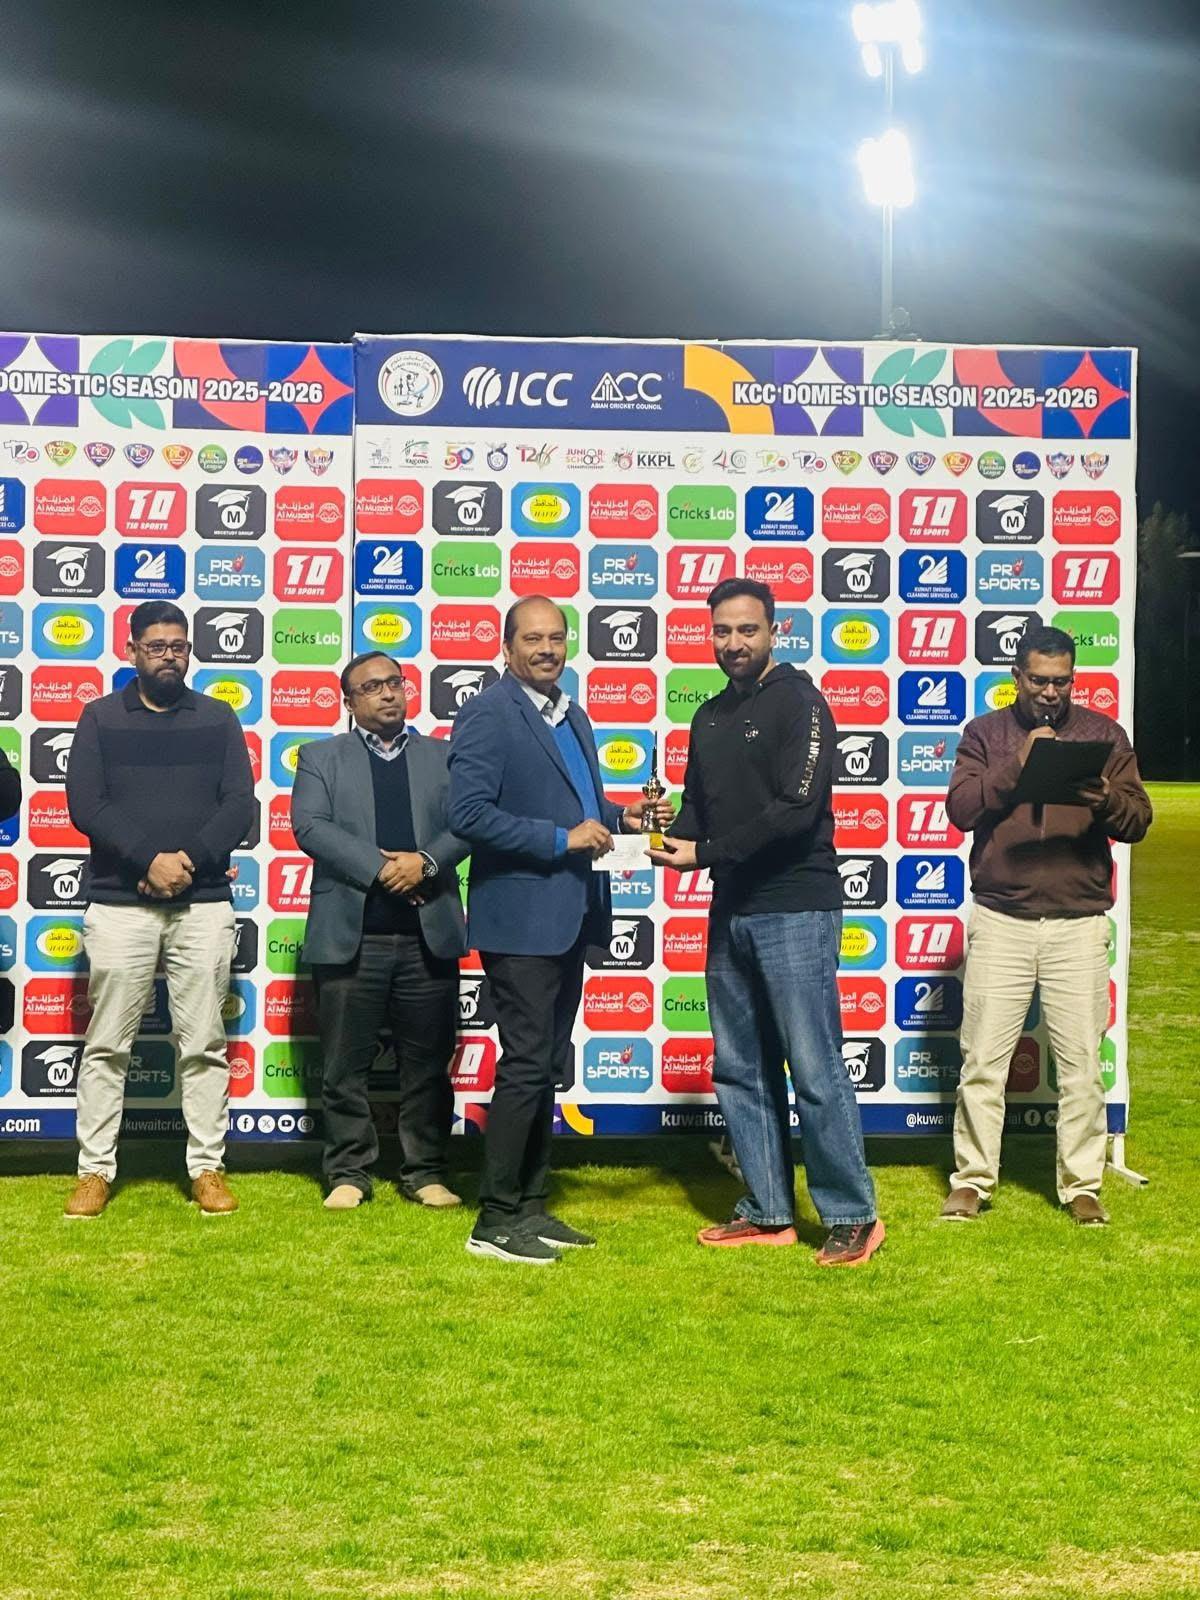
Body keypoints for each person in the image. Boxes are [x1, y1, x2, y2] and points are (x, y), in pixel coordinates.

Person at [649, 577, 885, 1268]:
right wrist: (659, 832)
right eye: (722, 631)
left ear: (774, 631)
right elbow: (697, 810)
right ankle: (769, 1209)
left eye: (747, 630)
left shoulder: (801, 702)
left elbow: (796, 811)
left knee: (814, 1067)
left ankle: (853, 1215)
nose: (733, 643)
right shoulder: (708, 716)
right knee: (739, 1068)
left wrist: (703, 853)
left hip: (796, 904)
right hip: (732, 906)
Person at [447, 595, 667, 1264]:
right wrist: (558, 839)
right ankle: (493, 1219)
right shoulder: (488, 713)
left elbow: (581, 804)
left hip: (570, 915)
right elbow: (467, 815)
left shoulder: (573, 714)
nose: (546, 649)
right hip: (519, 920)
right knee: (524, 1065)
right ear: (507, 647)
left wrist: (624, 817)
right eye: (532, 639)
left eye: (556, 638)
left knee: (544, 1064)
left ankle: (531, 1205)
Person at [941, 625, 1152, 1225]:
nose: (1051, 692)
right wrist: (1020, 763)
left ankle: (1081, 1185)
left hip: (1078, 924)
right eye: (1038, 680)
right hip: (1001, 920)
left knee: (1082, 1066)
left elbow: (1138, 820)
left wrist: (1104, 798)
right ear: (1017, 677)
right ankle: (972, 1180)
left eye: (1061, 682)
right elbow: (961, 808)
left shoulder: (1103, 735)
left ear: (1073, 679)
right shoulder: (985, 734)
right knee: (983, 1062)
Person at [63, 601, 254, 1218]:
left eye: (179, 646)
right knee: (106, 1046)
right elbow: (87, 804)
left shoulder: (218, 717)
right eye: (157, 646)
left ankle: (207, 1168)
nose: (169, 656)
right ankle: (94, 1171)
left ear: (189, 651)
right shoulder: (99, 717)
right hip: (120, 904)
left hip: (203, 903)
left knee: (203, 1043)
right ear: (132, 651)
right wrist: (149, 859)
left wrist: (184, 863)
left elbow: (239, 806)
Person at [292, 651, 469, 1211]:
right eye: (371, 687)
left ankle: (426, 1170)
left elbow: (469, 822)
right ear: (349, 702)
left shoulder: (444, 755)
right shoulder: (320, 756)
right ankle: (348, 1171)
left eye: (395, 682)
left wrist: (426, 864)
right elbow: (309, 826)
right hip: (352, 937)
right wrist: (384, 870)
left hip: (428, 935)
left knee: (429, 1066)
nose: (388, 693)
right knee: (344, 1066)